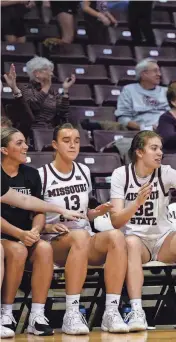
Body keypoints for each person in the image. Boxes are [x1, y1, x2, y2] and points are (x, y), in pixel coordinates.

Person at [110, 131, 176, 332]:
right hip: (137, 241)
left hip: (163, 238)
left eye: (161, 148)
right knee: (130, 242)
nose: (160, 153)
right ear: (139, 152)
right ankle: (137, 310)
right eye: (154, 148)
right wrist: (137, 203)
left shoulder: (166, 172)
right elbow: (116, 221)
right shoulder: (121, 175)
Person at [38, 123, 129, 335]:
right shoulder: (41, 175)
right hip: (54, 242)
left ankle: (111, 311)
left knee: (116, 236)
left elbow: (82, 214)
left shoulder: (84, 171)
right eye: (66, 141)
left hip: (83, 239)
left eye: (77, 141)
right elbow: (33, 217)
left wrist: (95, 212)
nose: (73, 145)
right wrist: (50, 225)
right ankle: (71, 313)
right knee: (79, 236)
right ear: (54, 144)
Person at [1, 127, 54, 337]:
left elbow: (39, 210)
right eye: (19, 143)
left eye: (25, 142)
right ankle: (6, 314)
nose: (26, 147)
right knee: (18, 250)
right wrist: (20, 234)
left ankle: (37, 316)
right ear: (4, 150)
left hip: (25, 235)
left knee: (45, 249)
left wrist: (35, 230)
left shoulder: (31, 174)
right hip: (5, 236)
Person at [115, 59, 170, 131]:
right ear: (143, 74)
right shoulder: (129, 90)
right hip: (142, 132)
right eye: (155, 71)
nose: (159, 74)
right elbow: (123, 119)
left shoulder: (166, 91)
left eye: (159, 71)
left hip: (168, 130)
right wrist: (145, 129)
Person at [23, 57, 76, 129]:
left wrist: (65, 90)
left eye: (51, 71)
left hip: (51, 129)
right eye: (47, 70)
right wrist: (46, 87)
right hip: (35, 130)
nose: (51, 74)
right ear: (36, 73)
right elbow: (33, 106)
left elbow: (63, 112)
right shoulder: (27, 89)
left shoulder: (52, 92)